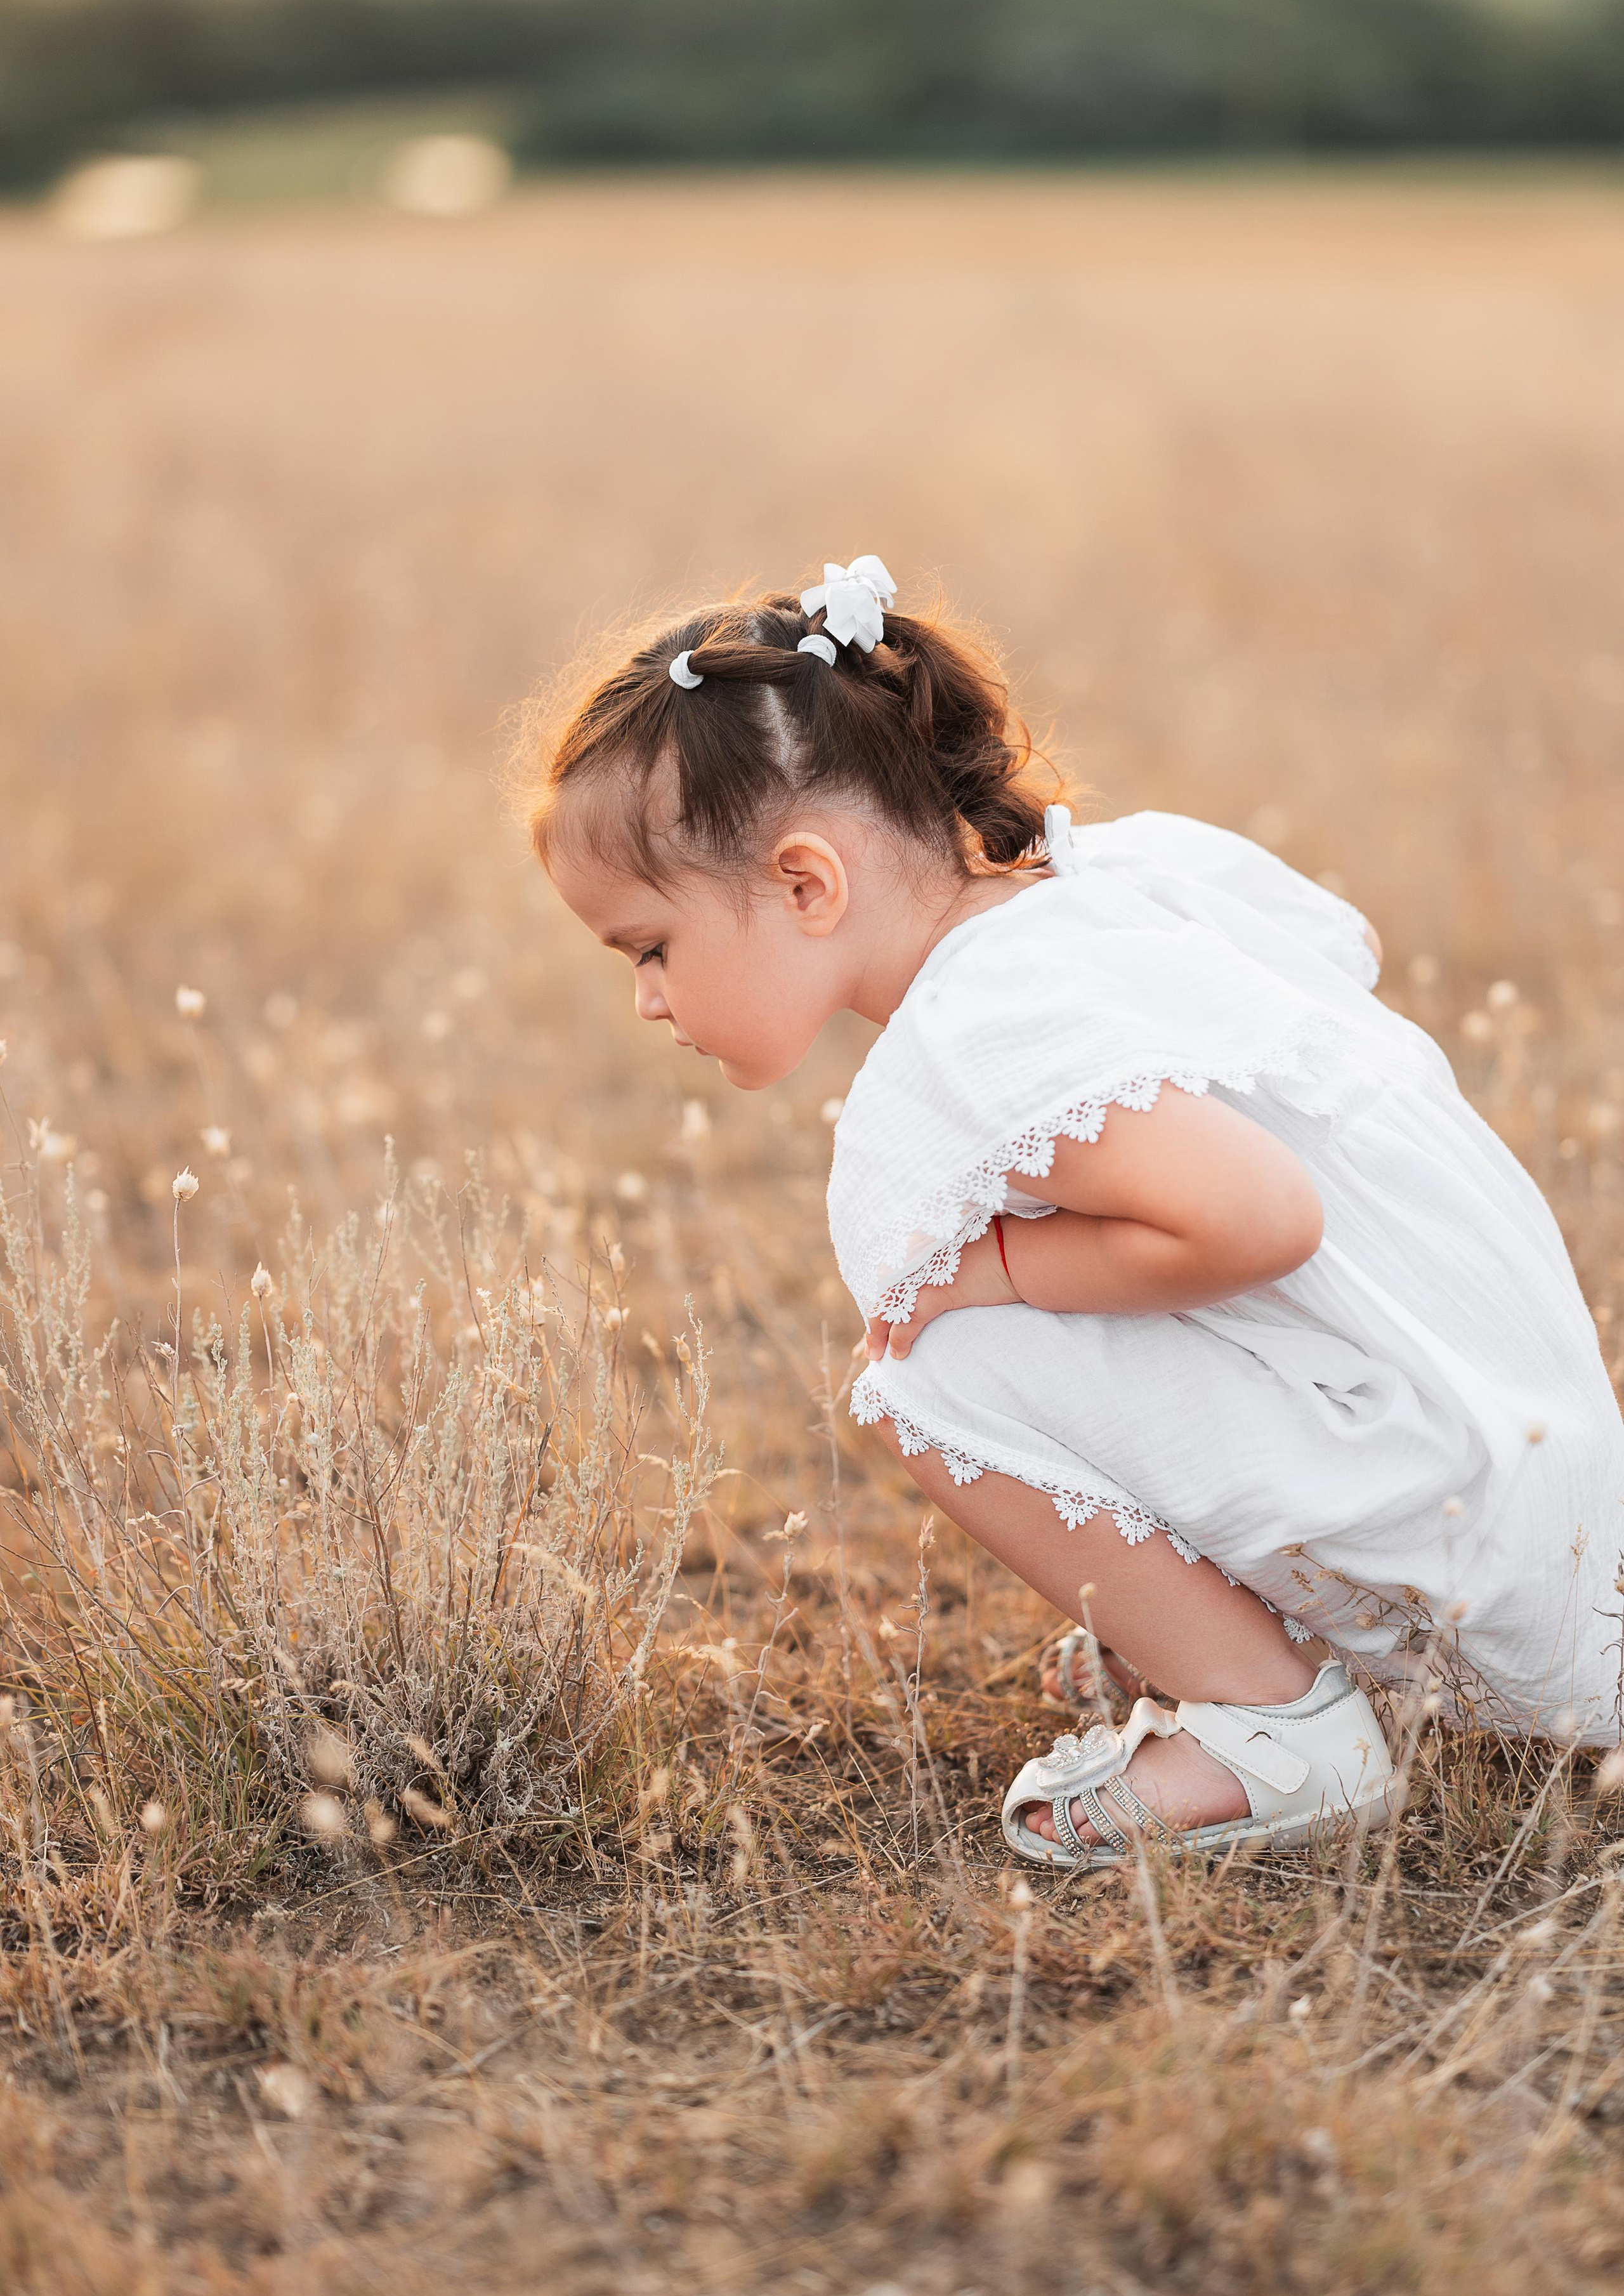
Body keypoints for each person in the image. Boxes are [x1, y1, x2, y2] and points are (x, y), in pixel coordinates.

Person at [523, 556, 1624, 1869]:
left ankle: (1270, 1725)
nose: (647, 999)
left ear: (807, 884)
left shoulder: (984, 1025)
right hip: (1531, 1470)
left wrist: (996, 1263)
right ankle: (1219, 1615)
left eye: (649, 947)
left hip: (1469, 1529)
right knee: (985, 1321)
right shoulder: (1095, 887)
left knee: (933, 1360)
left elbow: (1260, 1219)